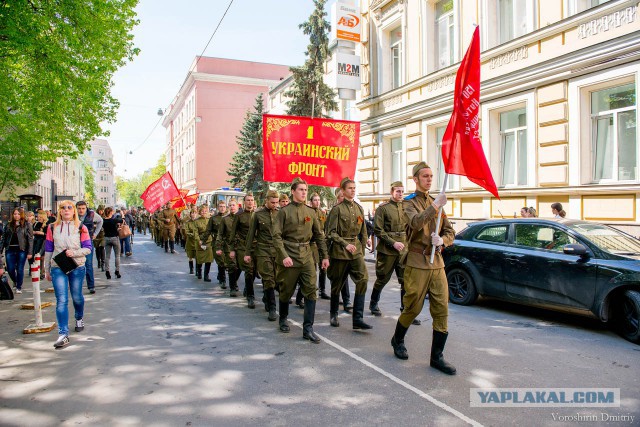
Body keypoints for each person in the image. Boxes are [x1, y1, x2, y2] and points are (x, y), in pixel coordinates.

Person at [390, 161, 456, 375]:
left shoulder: (436, 202)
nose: (429, 179)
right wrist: (435, 206)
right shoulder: (408, 203)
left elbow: (450, 232)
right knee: (412, 308)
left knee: (441, 308)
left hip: (436, 263)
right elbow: (416, 223)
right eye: (425, 176)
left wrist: (442, 241)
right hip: (417, 262)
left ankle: (437, 357)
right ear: (416, 179)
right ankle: (397, 339)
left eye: (431, 176)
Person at [272, 178, 329, 343]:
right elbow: (276, 236)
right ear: (293, 191)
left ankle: (308, 329)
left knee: (311, 290)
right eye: (301, 189)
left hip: (306, 255)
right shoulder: (283, 212)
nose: (304, 192)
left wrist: (324, 256)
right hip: (289, 255)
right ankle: (283, 318)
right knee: (286, 290)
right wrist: (284, 256)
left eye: (305, 190)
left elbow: (319, 235)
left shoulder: (311, 212)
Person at [369, 181, 421, 324]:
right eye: (398, 191)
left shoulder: (406, 206)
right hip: (387, 250)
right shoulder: (383, 209)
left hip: (404, 249)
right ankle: (373, 303)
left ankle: (406, 311)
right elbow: (378, 230)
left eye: (402, 191)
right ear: (392, 192)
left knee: (405, 281)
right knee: (382, 278)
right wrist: (393, 242)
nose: (400, 194)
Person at [44, 201, 92, 348]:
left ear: (74, 211)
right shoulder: (52, 227)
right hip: (58, 266)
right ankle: (63, 334)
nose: (66, 210)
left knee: (77, 296)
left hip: (77, 265)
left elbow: (88, 248)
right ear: (59, 211)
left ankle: (79, 318)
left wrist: (75, 253)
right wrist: (46, 269)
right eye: (63, 208)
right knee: (62, 299)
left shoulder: (81, 227)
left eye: (69, 208)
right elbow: (48, 249)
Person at [325, 177, 372, 330]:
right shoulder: (336, 210)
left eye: (354, 188)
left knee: (363, 279)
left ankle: (357, 318)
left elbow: (363, 232)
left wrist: (362, 249)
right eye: (350, 188)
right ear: (343, 191)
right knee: (337, 285)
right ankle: (333, 314)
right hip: (340, 252)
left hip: (356, 251)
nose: (353, 190)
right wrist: (345, 244)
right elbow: (330, 233)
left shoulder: (359, 208)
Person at [245, 190, 280, 321]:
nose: (275, 205)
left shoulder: (280, 213)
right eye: (272, 202)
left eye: (277, 202)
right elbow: (251, 234)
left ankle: (267, 296)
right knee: (268, 277)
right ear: (266, 201)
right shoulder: (258, 214)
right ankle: (272, 308)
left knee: (276, 279)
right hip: (263, 250)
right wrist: (247, 253)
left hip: (277, 251)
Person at [229, 194, 257, 308]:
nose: (250, 202)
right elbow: (233, 233)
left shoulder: (257, 215)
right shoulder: (239, 215)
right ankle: (250, 296)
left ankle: (247, 287)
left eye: (252, 200)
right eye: (248, 200)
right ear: (244, 202)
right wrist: (232, 249)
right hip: (243, 247)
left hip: (256, 246)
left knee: (255, 270)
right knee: (249, 270)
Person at [0, 208, 33, 294]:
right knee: (10, 269)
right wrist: (1, 249)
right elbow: (3, 238)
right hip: (10, 249)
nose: (16, 215)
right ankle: (15, 281)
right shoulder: (8, 225)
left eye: (18, 214)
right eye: (15, 214)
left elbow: (30, 239)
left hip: (21, 249)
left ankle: (19, 286)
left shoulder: (26, 224)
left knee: (20, 268)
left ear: (21, 214)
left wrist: (30, 252)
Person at [215, 198, 240, 296]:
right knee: (232, 266)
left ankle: (234, 281)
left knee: (240, 267)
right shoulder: (225, 219)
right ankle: (232, 288)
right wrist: (218, 247)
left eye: (234, 205)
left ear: (237, 206)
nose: (232, 207)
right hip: (229, 246)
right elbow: (220, 234)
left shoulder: (242, 217)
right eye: (230, 205)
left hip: (241, 245)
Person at [76, 201, 102, 294]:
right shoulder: (73, 215)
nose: (81, 210)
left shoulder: (91, 214)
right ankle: (75, 286)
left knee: (88, 264)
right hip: (75, 242)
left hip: (87, 241)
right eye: (79, 208)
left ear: (86, 208)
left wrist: (95, 234)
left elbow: (100, 221)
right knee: (75, 264)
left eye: (83, 208)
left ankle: (91, 286)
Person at [309, 193, 329, 300]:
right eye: (315, 200)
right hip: (312, 244)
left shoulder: (322, 213)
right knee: (312, 269)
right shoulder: (308, 212)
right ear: (311, 202)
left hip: (321, 244)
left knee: (323, 268)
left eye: (319, 200)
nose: (317, 202)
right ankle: (312, 289)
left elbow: (325, 228)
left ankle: (323, 290)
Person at [203, 200, 228, 287]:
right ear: (218, 208)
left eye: (224, 206)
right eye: (220, 206)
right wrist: (203, 241)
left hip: (227, 243)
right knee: (221, 261)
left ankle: (220, 275)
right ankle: (223, 280)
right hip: (217, 242)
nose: (222, 208)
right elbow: (208, 231)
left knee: (226, 262)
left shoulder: (229, 217)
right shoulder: (213, 218)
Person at [192, 205, 214, 281]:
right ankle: (199, 272)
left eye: (205, 211)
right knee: (199, 259)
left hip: (208, 241)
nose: (204, 213)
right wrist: (199, 241)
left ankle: (206, 275)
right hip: (200, 241)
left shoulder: (210, 220)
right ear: (199, 212)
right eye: (202, 211)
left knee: (209, 259)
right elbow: (195, 232)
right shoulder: (196, 221)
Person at [101, 207, 123, 279]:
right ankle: (117, 271)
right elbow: (121, 220)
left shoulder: (103, 221)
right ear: (111, 212)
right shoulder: (114, 220)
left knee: (107, 256)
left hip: (107, 238)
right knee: (117, 255)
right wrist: (122, 214)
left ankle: (107, 271)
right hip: (115, 238)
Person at [32, 210, 48, 279]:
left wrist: (42, 233)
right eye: (38, 217)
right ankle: (37, 270)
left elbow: (49, 235)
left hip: (44, 241)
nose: (38, 218)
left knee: (42, 257)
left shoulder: (47, 224)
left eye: (40, 217)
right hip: (36, 241)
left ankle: (42, 272)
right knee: (36, 255)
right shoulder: (36, 223)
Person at [183, 209, 198, 275]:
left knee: (198, 257)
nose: (193, 214)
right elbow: (186, 231)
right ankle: (191, 269)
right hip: (190, 241)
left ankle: (198, 270)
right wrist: (192, 234)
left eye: (195, 213)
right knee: (190, 256)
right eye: (192, 213)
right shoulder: (188, 222)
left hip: (197, 241)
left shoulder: (198, 221)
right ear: (190, 214)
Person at [93, 205, 106, 272]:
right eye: (100, 210)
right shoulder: (95, 216)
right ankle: (99, 261)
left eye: (102, 210)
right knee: (97, 249)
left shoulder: (104, 216)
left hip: (102, 235)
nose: (101, 212)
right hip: (96, 235)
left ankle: (103, 263)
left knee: (102, 248)